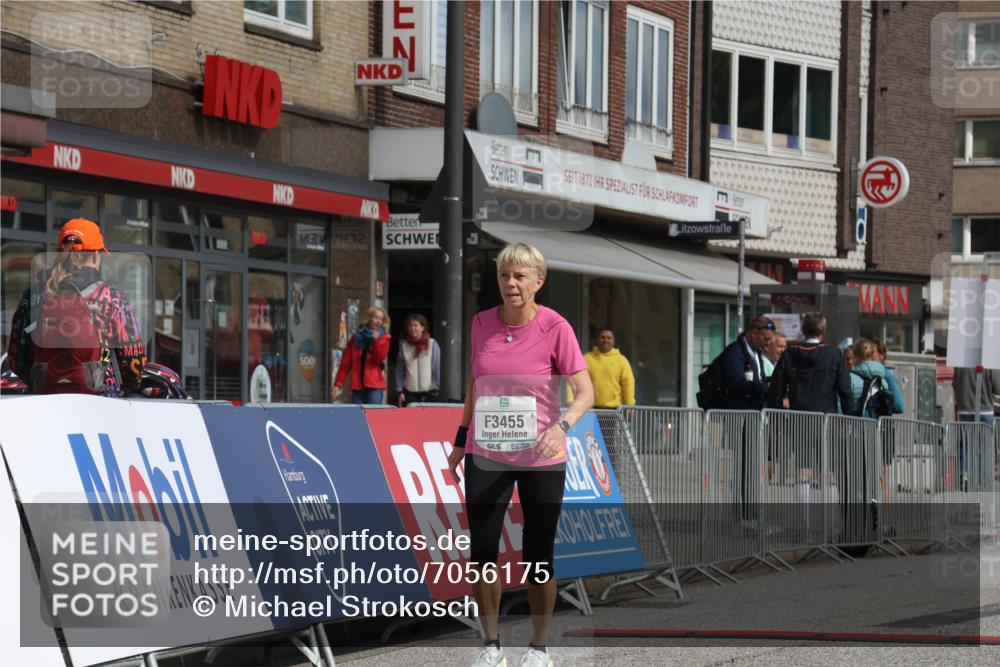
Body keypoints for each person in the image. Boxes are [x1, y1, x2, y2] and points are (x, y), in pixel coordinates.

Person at [446, 243, 594, 667]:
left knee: (538, 553)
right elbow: (476, 384)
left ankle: (539, 647)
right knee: (482, 550)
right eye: (504, 275)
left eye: (519, 276)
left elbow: (585, 392)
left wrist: (562, 426)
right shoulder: (481, 323)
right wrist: (461, 440)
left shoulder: (555, 327)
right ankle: (491, 645)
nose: (510, 283)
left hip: (541, 457)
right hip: (487, 453)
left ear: (538, 281)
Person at [7, 218, 146, 397]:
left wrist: (42, 382)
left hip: (45, 401)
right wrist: (123, 389)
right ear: (95, 255)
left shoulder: (33, 296)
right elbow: (133, 364)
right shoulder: (114, 299)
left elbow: (15, 357)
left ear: (59, 251)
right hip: (99, 402)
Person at [768, 313, 852, 520]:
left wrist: (777, 416)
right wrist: (849, 418)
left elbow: (776, 389)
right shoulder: (833, 354)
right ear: (823, 331)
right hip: (827, 420)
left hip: (800, 419)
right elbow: (845, 390)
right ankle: (830, 523)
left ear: (803, 330)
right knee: (830, 473)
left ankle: (805, 524)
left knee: (803, 471)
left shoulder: (790, 354)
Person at [720, 316, 774, 526]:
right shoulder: (735, 353)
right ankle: (743, 516)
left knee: (752, 468)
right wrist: (763, 388)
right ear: (753, 333)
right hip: (740, 417)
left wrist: (765, 386)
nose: (767, 343)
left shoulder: (755, 353)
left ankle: (751, 515)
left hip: (755, 416)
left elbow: (756, 380)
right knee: (743, 468)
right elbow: (735, 384)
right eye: (765, 338)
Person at [333, 307, 391, 404]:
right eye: (376, 318)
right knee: (358, 413)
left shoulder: (384, 338)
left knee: (373, 413)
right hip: (357, 385)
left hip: (374, 386)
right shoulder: (356, 337)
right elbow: (345, 363)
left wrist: (375, 341)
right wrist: (338, 384)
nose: (378, 321)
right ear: (369, 318)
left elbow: (378, 359)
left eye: (381, 319)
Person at [395, 313, 441, 406]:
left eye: (416, 325)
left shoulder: (432, 344)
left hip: (429, 391)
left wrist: (436, 388)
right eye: (410, 326)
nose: (412, 328)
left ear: (422, 327)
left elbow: (436, 367)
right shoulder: (404, 346)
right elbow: (400, 370)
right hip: (409, 392)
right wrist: (400, 391)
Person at [583, 328, 635, 409]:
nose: (605, 340)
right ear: (597, 340)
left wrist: (630, 406)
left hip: (614, 409)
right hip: (590, 408)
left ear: (613, 341)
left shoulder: (621, 360)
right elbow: (576, 380)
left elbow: (628, 384)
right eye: (602, 337)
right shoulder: (587, 358)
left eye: (609, 338)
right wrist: (571, 400)